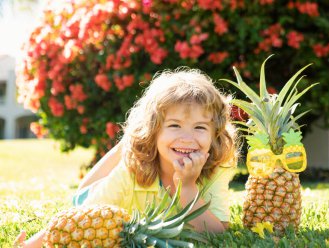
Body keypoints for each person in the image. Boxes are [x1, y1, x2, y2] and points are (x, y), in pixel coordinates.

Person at [14, 67, 239, 247]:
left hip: (150, 159)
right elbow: (78, 217)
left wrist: (187, 187)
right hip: (97, 195)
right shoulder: (131, 171)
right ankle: (132, 139)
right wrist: (32, 245)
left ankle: (137, 138)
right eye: (174, 125)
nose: (187, 138)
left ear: (215, 133)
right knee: (85, 191)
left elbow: (219, 234)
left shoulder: (218, 165)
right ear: (156, 130)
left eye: (200, 127)